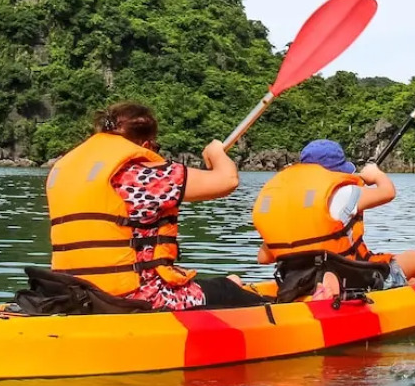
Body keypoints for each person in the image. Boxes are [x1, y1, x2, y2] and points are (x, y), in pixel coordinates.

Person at [45, 101, 270, 311]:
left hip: (72, 294)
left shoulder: (68, 172)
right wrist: (216, 153)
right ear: (145, 144)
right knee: (228, 290)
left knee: (225, 284)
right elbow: (227, 180)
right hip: (139, 297)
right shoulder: (145, 175)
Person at [253, 139, 415, 302]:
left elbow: (264, 258)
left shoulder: (289, 205)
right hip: (351, 281)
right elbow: (388, 192)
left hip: (298, 282)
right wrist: (375, 175)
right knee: (413, 259)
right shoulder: (343, 192)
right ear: (337, 171)